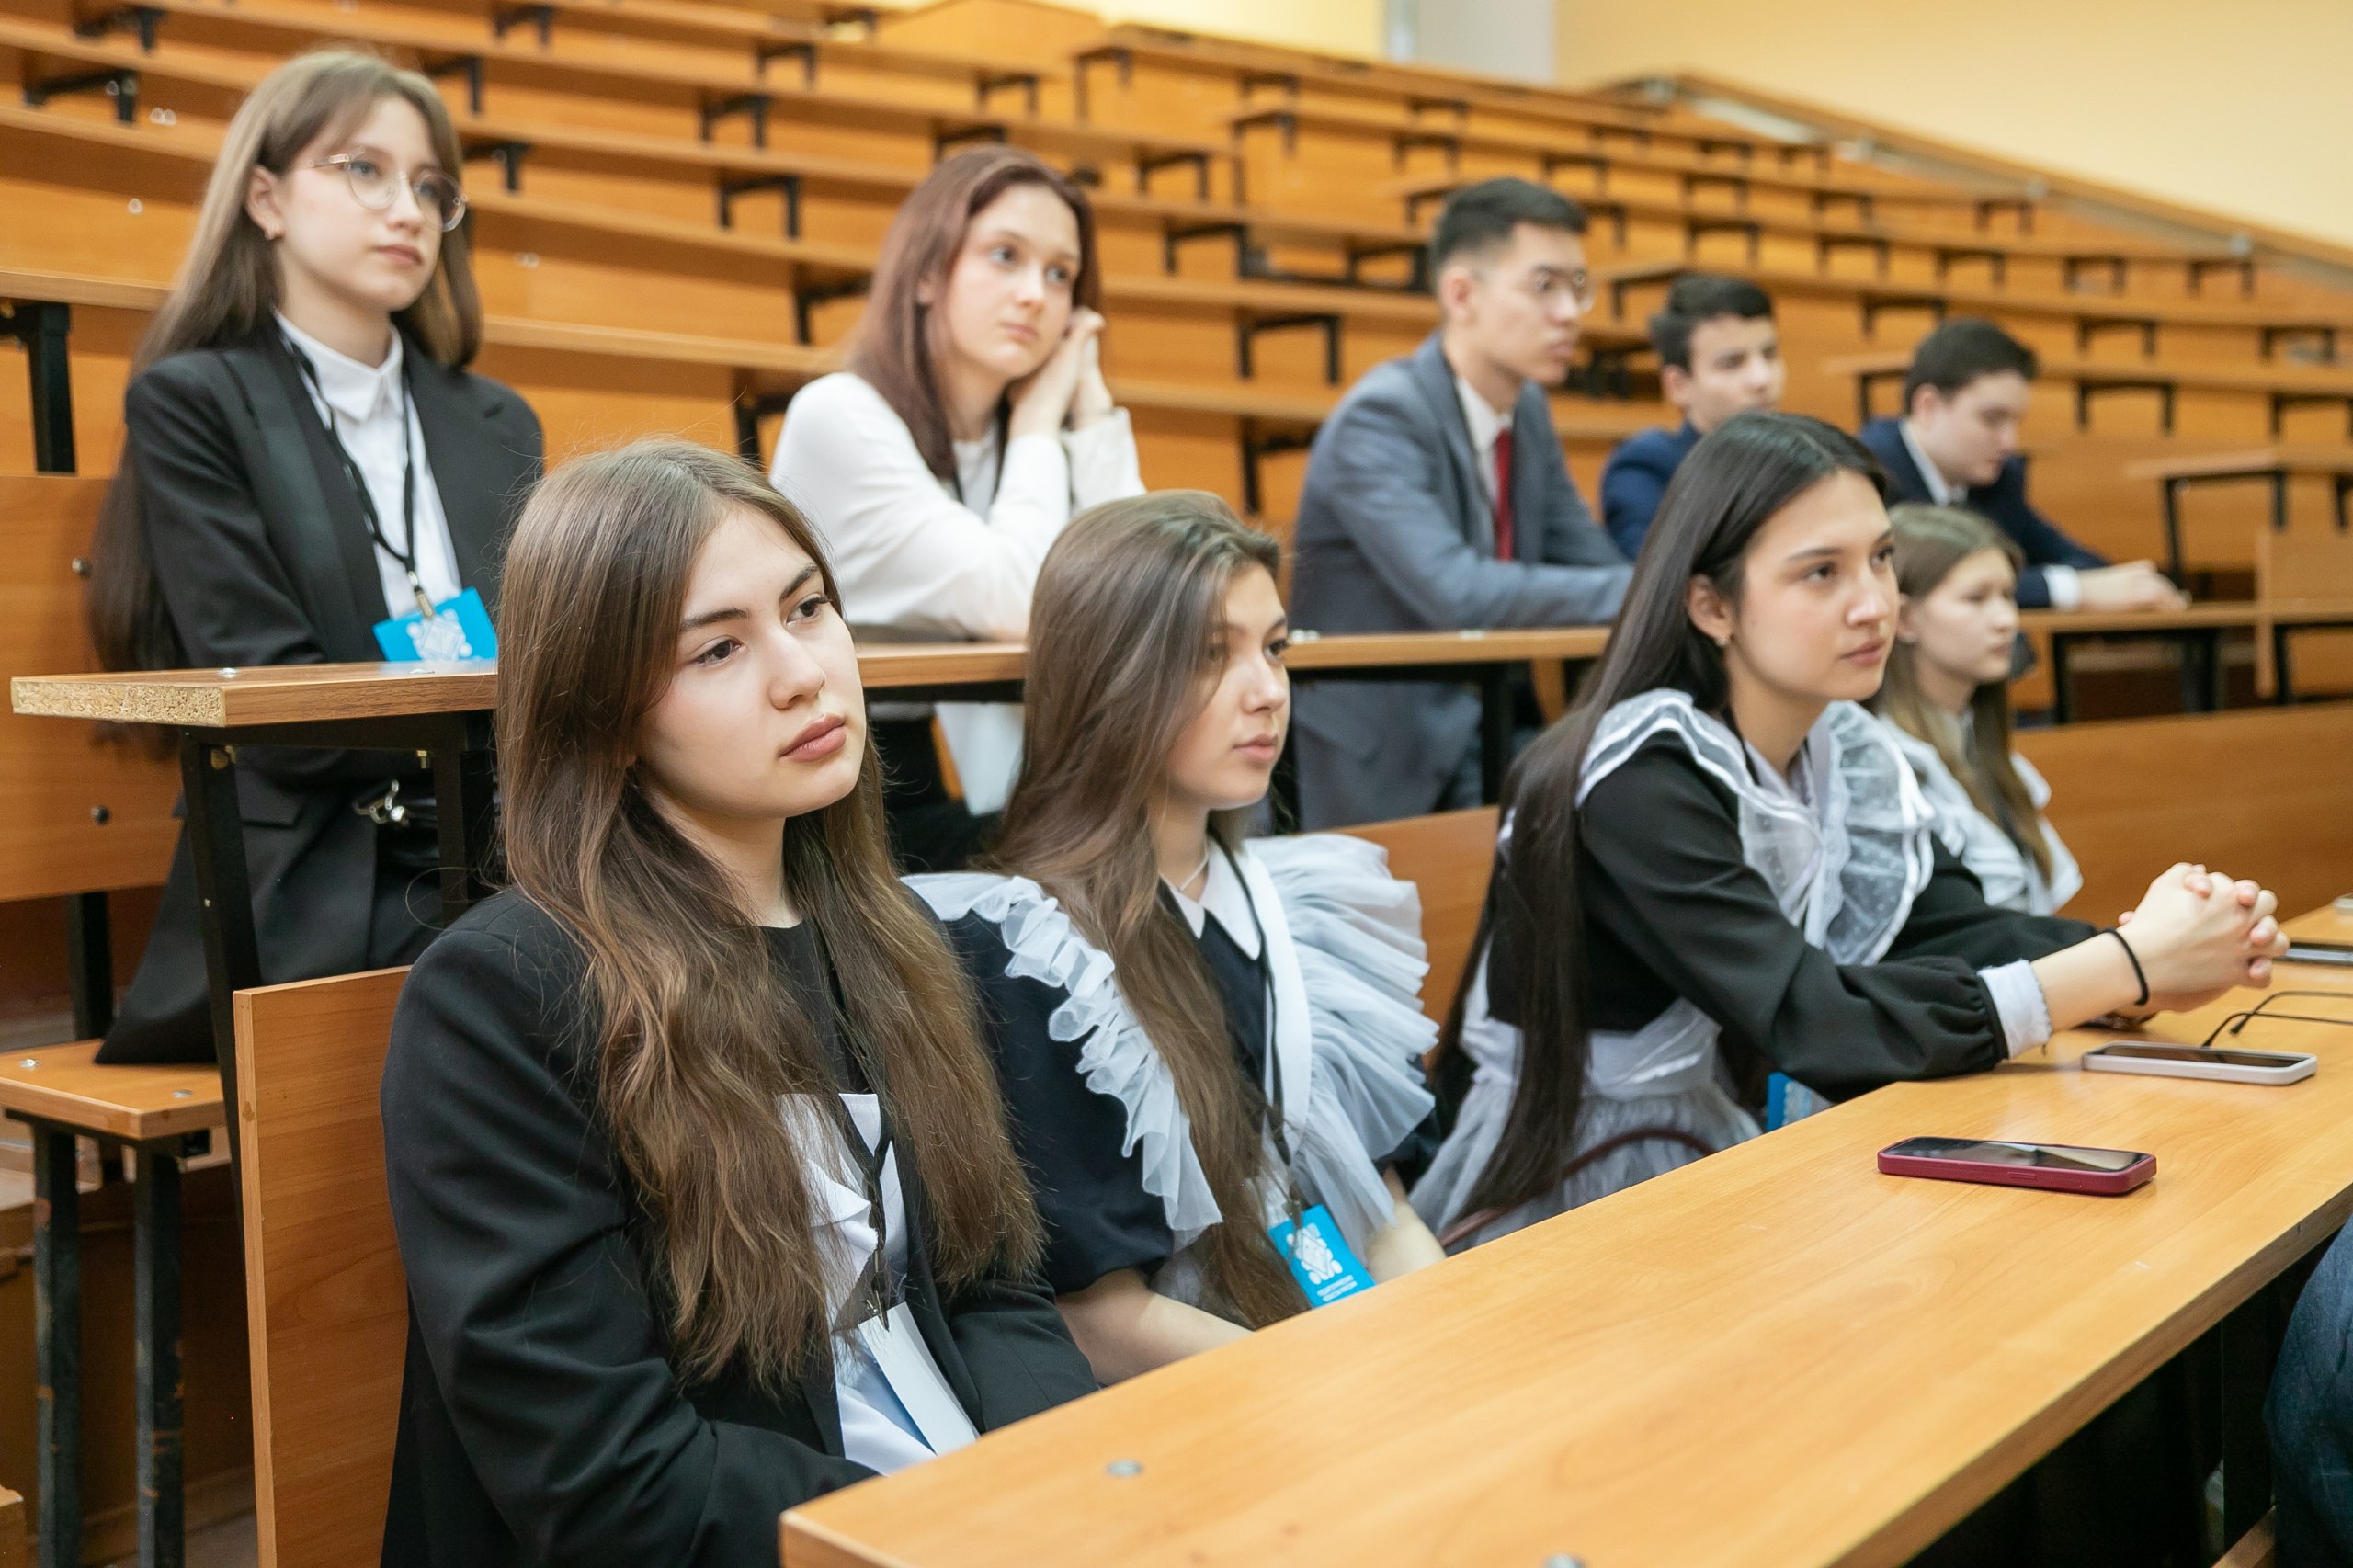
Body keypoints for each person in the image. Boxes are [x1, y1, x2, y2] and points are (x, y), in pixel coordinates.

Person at [380, 442, 1097, 1565]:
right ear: (604, 715)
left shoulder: (890, 933)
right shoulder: (504, 997)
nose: (802, 672)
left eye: (807, 608)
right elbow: (605, 1475)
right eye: (717, 647)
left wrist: (1065, 1486)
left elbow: (993, 1282)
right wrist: (945, 1528)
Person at [1413, 412, 2286, 1251]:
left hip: (1715, 1134)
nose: (1874, 604)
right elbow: (1813, 1020)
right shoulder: (1635, 776)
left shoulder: (1842, 745)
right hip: (1575, 1171)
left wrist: (2155, 953)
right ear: (1711, 606)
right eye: (1821, 573)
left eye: (1881, 559)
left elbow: (1955, 926)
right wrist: (2127, 965)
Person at [911, 493, 1446, 1383]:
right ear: (1111, 678)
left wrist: (1451, 1343)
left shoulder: (1304, 906)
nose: (1267, 690)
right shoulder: (1033, 952)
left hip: (1336, 1352)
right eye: (1210, 655)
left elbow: (1382, 1214)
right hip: (1204, 1398)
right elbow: (1100, 1321)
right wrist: (1339, 1382)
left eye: (1274, 647)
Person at [85, 49, 542, 1064]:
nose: (408, 211)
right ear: (266, 199)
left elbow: (545, 659)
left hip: (498, 842)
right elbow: (275, 696)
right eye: (364, 170)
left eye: (430, 187)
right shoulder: (196, 403)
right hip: (323, 868)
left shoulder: (496, 419)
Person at [770, 146, 1143, 872]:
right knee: (1111, 856)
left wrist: (1092, 408)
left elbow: (1146, 593)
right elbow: (1015, 601)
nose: (1035, 294)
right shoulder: (838, 414)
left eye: (1060, 274)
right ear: (927, 272)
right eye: (1006, 256)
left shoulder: (1017, 440)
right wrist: (1040, 424)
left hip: (994, 780)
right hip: (850, 801)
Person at [1287, 176, 1632, 829]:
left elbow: (1587, 553)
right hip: (1385, 756)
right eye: (1544, 285)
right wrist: (1652, 589)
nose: (1569, 312)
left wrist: (1659, 585)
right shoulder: (1381, 416)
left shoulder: (1527, 410)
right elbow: (1458, 594)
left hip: (1493, 727)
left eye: (1578, 287)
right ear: (1461, 294)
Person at [1858, 318, 2184, 612]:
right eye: (1992, 419)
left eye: (2015, 422)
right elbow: (1920, 582)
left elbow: (2077, 561)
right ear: (1927, 407)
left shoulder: (1999, 479)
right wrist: (2072, 590)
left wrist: (2131, 586)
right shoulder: (1866, 475)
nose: (2009, 443)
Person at [1874, 504, 2082, 915]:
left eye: (2008, 596)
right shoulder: (1884, 760)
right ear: (1905, 618)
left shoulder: (1979, 744)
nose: (2006, 620)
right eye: (1976, 599)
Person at [1600, 273, 1783, 558]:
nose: (1762, 378)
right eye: (1732, 363)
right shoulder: (1647, 467)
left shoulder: (1801, 459)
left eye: (1769, 355)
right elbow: (1654, 574)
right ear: (1679, 386)